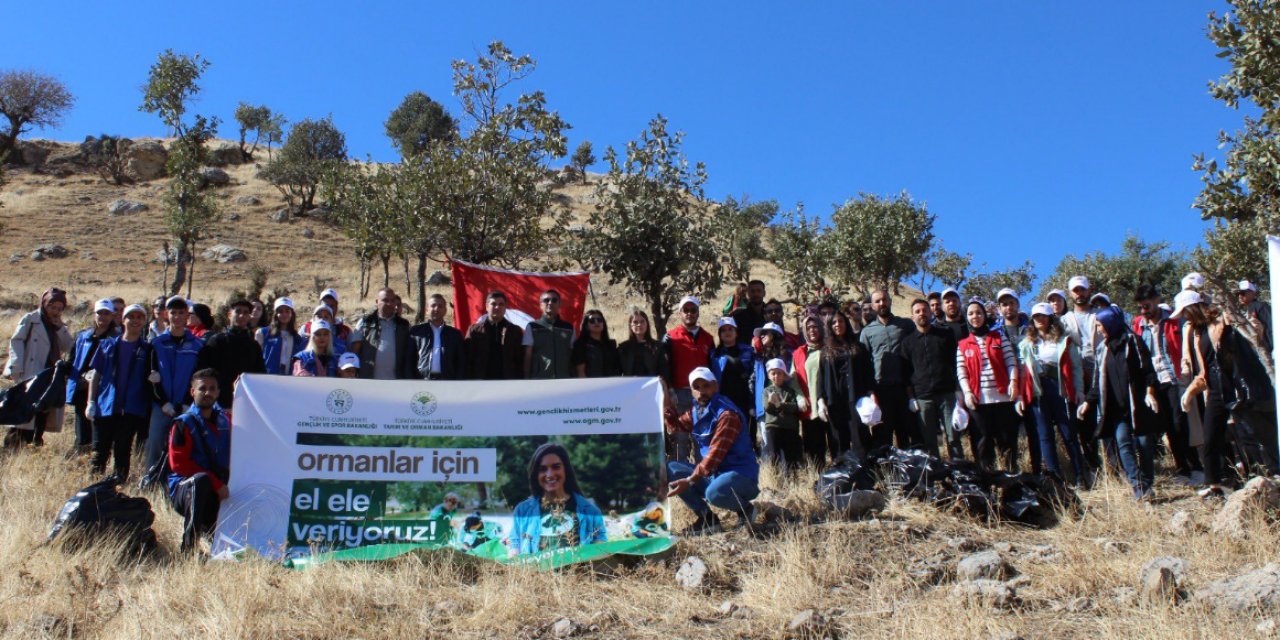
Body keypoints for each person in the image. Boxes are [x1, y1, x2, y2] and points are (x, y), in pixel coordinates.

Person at [1175, 290, 1274, 498]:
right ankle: (1215, 485)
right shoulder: (1195, 332)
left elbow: (1242, 349)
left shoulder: (1222, 321)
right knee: (1210, 436)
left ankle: (1261, 480)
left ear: (1192, 308)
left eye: (1184, 311)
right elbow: (1204, 368)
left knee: (1248, 436)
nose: (1183, 316)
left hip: (1235, 387)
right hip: (1214, 390)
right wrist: (1191, 391)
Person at [664, 367, 759, 534]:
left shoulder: (727, 415)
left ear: (715, 386)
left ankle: (746, 510)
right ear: (691, 391)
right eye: (697, 388)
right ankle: (708, 519)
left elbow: (714, 456)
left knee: (715, 493)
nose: (701, 392)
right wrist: (664, 397)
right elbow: (676, 426)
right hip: (715, 475)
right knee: (670, 468)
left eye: (706, 386)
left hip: (740, 475)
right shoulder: (697, 411)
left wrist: (690, 480)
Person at [1080, 305, 1160, 500]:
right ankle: (1138, 486)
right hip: (1115, 408)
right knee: (1123, 442)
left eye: (1100, 325)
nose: (1098, 329)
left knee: (1143, 444)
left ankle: (1147, 482)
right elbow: (1097, 380)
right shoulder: (1102, 349)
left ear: (1110, 323)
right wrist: (1088, 403)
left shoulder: (1134, 342)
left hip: (1138, 404)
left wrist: (1150, 392)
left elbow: (1148, 370)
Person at [1131, 284, 1201, 483]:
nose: (1145, 309)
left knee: (1180, 423)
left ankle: (1195, 466)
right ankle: (1182, 469)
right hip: (1154, 381)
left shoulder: (1172, 320)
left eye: (1148, 305)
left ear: (1156, 300)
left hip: (1174, 378)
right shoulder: (1139, 325)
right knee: (1168, 426)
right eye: (1141, 306)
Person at [1018, 303, 1087, 484]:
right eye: (1036, 316)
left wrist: (1079, 390)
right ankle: (1054, 478)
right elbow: (1023, 372)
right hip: (1038, 390)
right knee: (1045, 435)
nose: (1039, 319)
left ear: (1050, 318)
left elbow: (1076, 368)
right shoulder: (1026, 344)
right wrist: (1020, 396)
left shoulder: (1064, 340)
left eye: (1043, 315)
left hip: (1059, 387)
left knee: (1068, 433)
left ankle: (1080, 475)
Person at [85, 304, 153, 481]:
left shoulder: (147, 350)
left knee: (123, 450)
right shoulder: (107, 345)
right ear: (123, 320)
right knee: (99, 451)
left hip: (131, 409)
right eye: (131, 317)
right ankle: (93, 486)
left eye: (140, 318)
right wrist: (91, 402)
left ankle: (118, 487)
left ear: (144, 322)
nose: (135, 321)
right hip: (105, 406)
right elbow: (96, 375)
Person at [167, 369, 231, 552]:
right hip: (186, 488)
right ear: (192, 392)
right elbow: (178, 464)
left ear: (218, 392)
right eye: (202, 388)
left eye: (212, 389)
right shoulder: (183, 423)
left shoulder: (226, 421)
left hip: (217, 488)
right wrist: (216, 483)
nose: (208, 393)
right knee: (200, 481)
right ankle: (188, 549)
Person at [956, 299, 1021, 471]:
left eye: (978, 312)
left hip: (1003, 400)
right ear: (966, 317)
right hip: (978, 402)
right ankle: (988, 486)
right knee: (983, 446)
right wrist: (968, 393)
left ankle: (1011, 485)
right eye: (970, 313)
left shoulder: (999, 337)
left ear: (985, 315)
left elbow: (1011, 362)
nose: (975, 316)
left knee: (1007, 444)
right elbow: (961, 372)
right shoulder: (962, 345)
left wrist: (1014, 381)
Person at [3, 287, 72, 446]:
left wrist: (60, 328)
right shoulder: (31, 319)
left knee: (43, 408)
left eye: (59, 309)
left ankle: (36, 441)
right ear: (44, 303)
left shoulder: (59, 326)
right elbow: (16, 341)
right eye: (51, 306)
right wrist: (15, 367)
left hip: (50, 374)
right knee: (23, 410)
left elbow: (69, 347)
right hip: (30, 370)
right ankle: (14, 443)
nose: (54, 311)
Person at [145, 297, 205, 477]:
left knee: (184, 444)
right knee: (155, 442)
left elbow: (199, 377)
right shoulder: (156, 344)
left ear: (188, 315)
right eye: (173, 313)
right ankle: (151, 479)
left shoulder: (197, 345)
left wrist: (188, 402)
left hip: (187, 407)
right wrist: (163, 402)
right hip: (161, 406)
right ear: (166, 315)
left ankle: (179, 481)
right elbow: (151, 376)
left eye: (181, 313)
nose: (177, 317)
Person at [509, 443, 606, 554]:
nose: (550, 474)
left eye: (556, 467)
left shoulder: (591, 512)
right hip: (535, 572)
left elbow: (600, 552)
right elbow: (514, 548)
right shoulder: (522, 511)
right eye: (542, 469)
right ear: (535, 474)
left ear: (566, 470)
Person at [860, 289, 920, 449]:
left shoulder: (906, 325)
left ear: (890, 301)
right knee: (882, 435)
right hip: (880, 390)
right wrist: (870, 392)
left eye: (884, 300)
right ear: (872, 305)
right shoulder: (867, 332)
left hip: (904, 388)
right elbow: (865, 364)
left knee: (906, 432)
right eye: (878, 301)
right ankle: (885, 471)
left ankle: (907, 469)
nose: (882, 303)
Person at [902, 299, 962, 459]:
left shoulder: (946, 334)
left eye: (925, 310)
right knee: (929, 441)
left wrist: (958, 389)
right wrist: (911, 398)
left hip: (947, 394)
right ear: (912, 316)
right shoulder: (907, 342)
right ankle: (936, 475)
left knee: (953, 437)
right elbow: (906, 372)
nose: (922, 313)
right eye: (918, 311)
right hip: (922, 398)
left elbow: (955, 363)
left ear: (931, 312)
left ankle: (960, 475)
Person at [1059, 276, 1105, 477]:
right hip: (1078, 374)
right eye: (1076, 290)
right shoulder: (1064, 321)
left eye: (1082, 290)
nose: (1079, 294)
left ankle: (1114, 466)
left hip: (1102, 367)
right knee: (1084, 421)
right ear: (1070, 293)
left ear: (1089, 290)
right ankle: (1093, 466)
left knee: (1107, 416)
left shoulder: (1101, 315)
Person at [662, 295, 715, 460]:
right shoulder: (670, 337)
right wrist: (669, 392)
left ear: (698, 313)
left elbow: (712, 368)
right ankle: (681, 476)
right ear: (680, 313)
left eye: (693, 310)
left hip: (702, 396)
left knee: (702, 437)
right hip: (679, 394)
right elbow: (664, 368)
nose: (689, 313)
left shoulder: (708, 338)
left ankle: (702, 478)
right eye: (686, 310)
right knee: (680, 439)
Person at [818, 311, 876, 458]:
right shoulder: (825, 351)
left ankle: (865, 475)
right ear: (830, 326)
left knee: (860, 438)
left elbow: (868, 373)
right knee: (838, 440)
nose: (838, 325)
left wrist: (872, 394)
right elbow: (821, 377)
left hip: (856, 399)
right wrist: (820, 401)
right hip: (835, 400)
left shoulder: (858, 347)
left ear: (846, 323)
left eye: (841, 321)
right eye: (834, 322)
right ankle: (842, 475)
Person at [996, 288, 1041, 474]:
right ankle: (1012, 472)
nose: (1008, 307)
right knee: (1009, 434)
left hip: (1031, 387)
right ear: (999, 309)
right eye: (1004, 304)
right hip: (1007, 390)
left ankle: (1039, 471)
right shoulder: (995, 333)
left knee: (1035, 432)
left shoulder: (1031, 329)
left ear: (1018, 305)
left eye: (1011, 303)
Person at [66, 299, 119, 454]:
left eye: (107, 313)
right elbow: (73, 360)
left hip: (104, 390)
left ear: (112, 316)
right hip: (81, 388)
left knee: (100, 427)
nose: (103, 316)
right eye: (100, 313)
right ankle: (81, 455)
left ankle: (97, 456)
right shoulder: (83, 336)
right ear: (94, 314)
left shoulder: (116, 339)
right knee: (82, 428)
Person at [194, 299, 265, 409]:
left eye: (246, 312)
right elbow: (204, 371)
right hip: (217, 402)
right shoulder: (216, 341)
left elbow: (259, 375)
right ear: (229, 314)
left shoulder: (253, 346)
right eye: (238, 311)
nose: (241, 315)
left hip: (245, 403)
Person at [708, 317, 755, 448]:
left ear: (736, 332)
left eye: (730, 329)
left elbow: (754, 374)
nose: (727, 332)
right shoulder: (714, 355)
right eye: (723, 330)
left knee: (746, 433)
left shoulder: (748, 351)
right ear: (719, 334)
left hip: (744, 399)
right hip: (723, 400)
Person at [349, 288, 411, 380]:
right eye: (385, 300)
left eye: (392, 301)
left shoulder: (404, 325)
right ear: (377, 302)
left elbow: (409, 355)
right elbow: (354, 353)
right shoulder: (365, 323)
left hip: (397, 382)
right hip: (369, 381)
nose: (389, 304)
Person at [792, 315, 829, 465]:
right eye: (808, 328)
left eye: (815, 327)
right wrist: (800, 397)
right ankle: (818, 481)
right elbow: (793, 378)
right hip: (810, 408)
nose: (812, 330)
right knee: (814, 450)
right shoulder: (799, 353)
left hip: (831, 404)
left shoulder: (830, 348)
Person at [751, 322, 791, 458]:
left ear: (774, 336)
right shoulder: (758, 358)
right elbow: (753, 381)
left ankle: (786, 472)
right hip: (763, 406)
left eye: (765, 333)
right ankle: (771, 474)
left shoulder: (786, 357)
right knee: (766, 440)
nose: (761, 336)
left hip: (783, 404)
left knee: (783, 441)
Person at [404, 293, 466, 380]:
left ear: (445, 310)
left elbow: (461, 363)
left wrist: (458, 382)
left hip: (447, 382)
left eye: (440, 306)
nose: (436, 309)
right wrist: (410, 381)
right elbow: (409, 360)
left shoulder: (455, 334)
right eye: (433, 306)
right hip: (422, 381)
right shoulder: (416, 332)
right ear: (427, 309)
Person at [464, 291, 524, 380]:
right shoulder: (474, 330)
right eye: (493, 304)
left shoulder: (515, 331)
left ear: (505, 307)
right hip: (480, 382)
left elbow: (520, 360)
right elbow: (467, 358)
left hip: (508, 382)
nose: (497, 307)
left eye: (501, 304)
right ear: (487, 306)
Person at [761, 358, 805, 470]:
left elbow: (794, 407)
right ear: (769, 376)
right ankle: (776, 478)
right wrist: (772, 403)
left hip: (789, 427)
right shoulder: (767, 391)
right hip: (773, 427)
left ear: (784, 375)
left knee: (791, 455)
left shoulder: (790, 391)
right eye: (773, 373)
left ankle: (792, 479)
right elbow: (767, 408)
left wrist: (780, 405)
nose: (776, 376)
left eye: (779, 373)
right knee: (774, 455)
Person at [524, 289, 576, 379]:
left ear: (559, 304)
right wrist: (526, 378)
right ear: (540, 305)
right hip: (539, 379)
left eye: (554, 300)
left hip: (564, 379)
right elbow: (528, 355)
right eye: (546, 300)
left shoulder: (569, 328)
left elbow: (573, 355)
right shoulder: (532, 327)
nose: (550, 302)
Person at [255, 297, 306, 376]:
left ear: (292, 314)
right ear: (276, 314)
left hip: (289, 378)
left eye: (287, 311)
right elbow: (256, 358)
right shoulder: (263, 333)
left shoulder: (296, 338)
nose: (284, 314)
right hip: (267, 377)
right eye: (280, 311)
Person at [618, 308, 669, 379]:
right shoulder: (623, 348)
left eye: (642, 322)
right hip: (630, 387)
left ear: (647, 324)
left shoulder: (657, 346)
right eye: (635, 322)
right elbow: (616, 373)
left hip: (652, 387)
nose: (639, 325)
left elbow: (664, 371)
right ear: (630, 325)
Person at [572, 310, 621, 378]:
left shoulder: (611, 344)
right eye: (592, 320)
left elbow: (617, 369)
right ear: (586, 325)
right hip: (591, 385)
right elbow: (581, 373)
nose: (596, 322)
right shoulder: (580, 345)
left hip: (611, 384)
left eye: (599, 320)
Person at [1237, 280, 1273, 352]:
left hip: (1267, 350)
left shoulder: (1260, 306)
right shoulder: (1247, 309)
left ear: (1252, 293)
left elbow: (1271, 327)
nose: (1240, 296)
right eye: (1238, 294)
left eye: (1243, 293)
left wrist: (1270, 348)